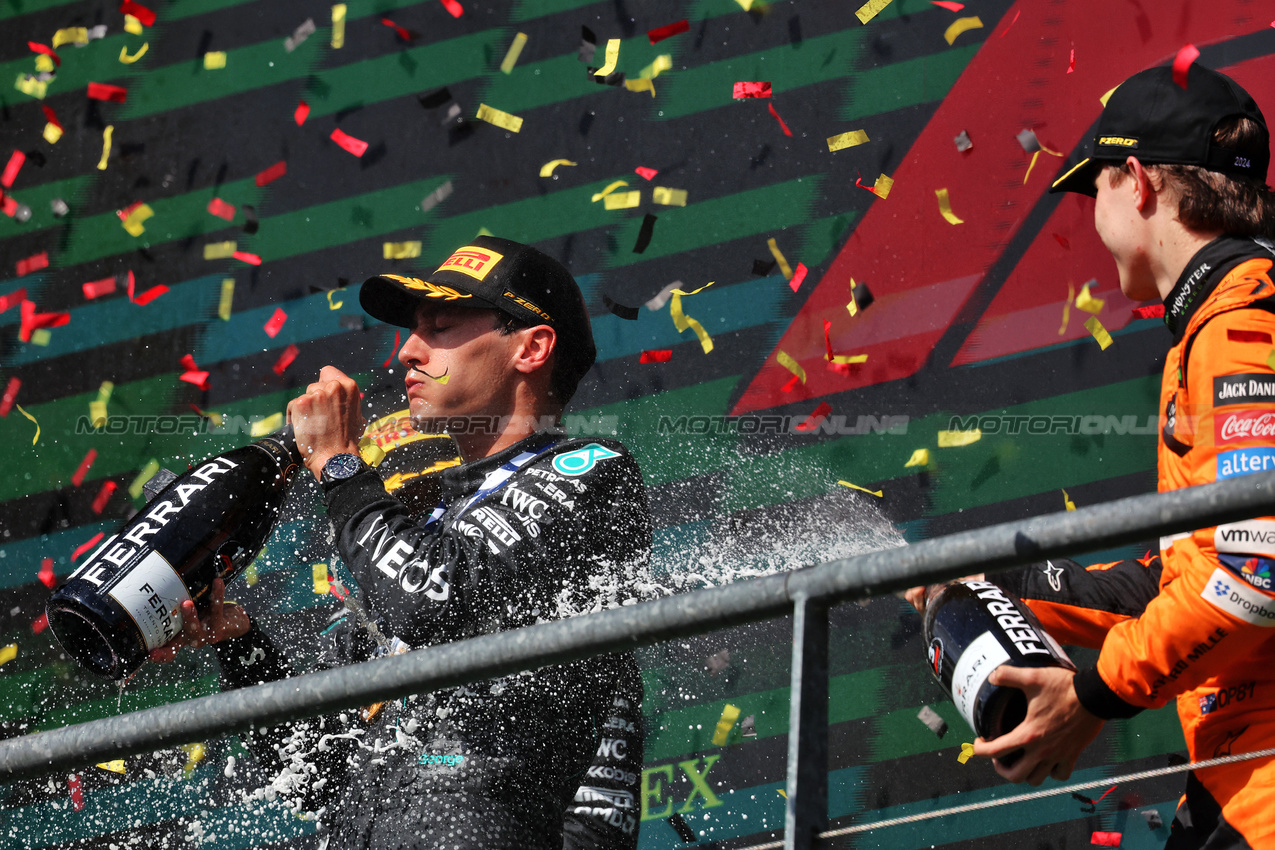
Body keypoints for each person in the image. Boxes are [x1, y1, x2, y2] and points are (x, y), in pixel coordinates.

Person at [154, 236, 651, 849]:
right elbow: (312, 771)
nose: (408, 351)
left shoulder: (591, 472)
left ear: (532, 347)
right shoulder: (432, 520)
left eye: (439, 326)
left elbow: (431, 599)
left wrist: (339, 463)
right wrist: (240, 644)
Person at [912, 63, 1275, 848]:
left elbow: (1254, 572)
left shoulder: (1239, 324)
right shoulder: (1226, 316)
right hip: (1233, 782)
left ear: (1137, 181)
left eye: (1095, 189)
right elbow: (1188, 576)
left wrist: (1093, 694)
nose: (1092, 218)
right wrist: (999, 588)